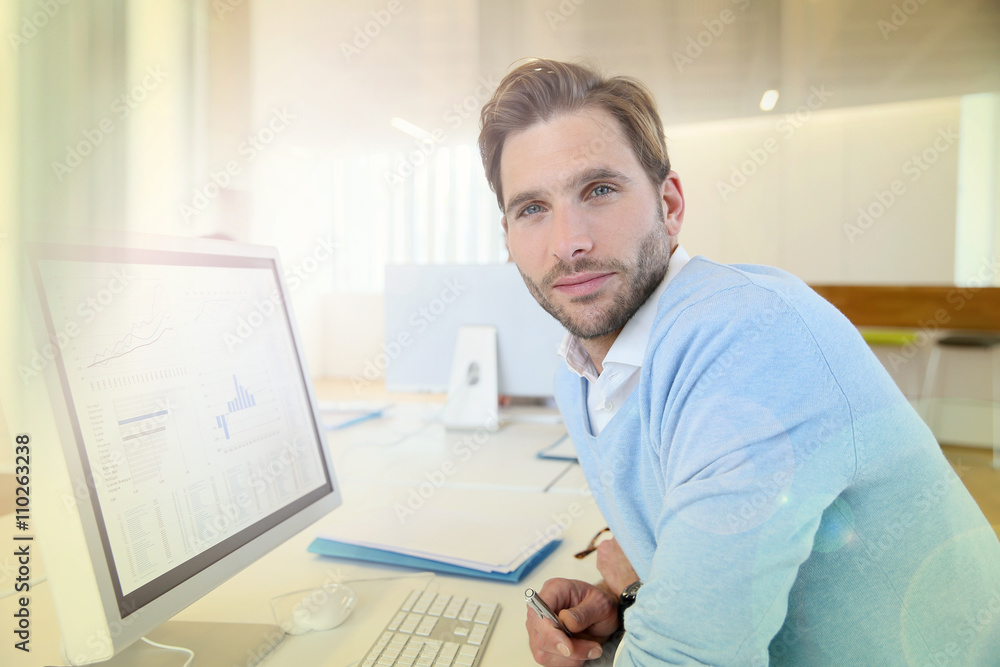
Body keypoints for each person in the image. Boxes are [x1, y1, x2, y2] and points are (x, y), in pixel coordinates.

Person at [477, 58, 1000, 666]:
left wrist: (664, 624)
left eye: (599, 190)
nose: (568, 241)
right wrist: (628, 601)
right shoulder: (581, 369)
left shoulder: (752, 338)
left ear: (669, 206)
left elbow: (689, 659)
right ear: (509, 237)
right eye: (532, 208)